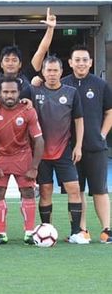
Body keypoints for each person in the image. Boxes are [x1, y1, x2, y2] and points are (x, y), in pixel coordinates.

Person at [0, 76, 45, 245]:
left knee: (28, 192)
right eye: (6, 92)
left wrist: (34, 167)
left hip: (23, 157)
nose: (10, 95)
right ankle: (1, 234)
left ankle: (29, 233)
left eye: (13, 92)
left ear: (19, 93)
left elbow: (39, 140)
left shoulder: (28, 110)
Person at [31, 56, 87, 244]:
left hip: (64, 150)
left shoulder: (71, 92)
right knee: (45, 191)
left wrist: (78, 146)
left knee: (74, 188)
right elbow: (12, 97)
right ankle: (46, 230)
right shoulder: (34, 90)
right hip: (41, 153)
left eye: (56, 71)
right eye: (49, 70)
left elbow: (79, 120)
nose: (52, 74)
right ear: (43, 72)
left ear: (61, 72)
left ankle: (75, 233)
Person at [61, 44, 112, 242]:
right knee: (76, 190)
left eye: (85, 60)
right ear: (70, 63)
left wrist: (102, 133)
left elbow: (110, 111)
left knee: (99, 189)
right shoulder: (63, 84)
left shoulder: (100, 85)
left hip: (95, 147)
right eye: (77, 60)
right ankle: (81, 230)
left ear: (90, 62)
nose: (81, 63)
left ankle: (107, 230)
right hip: (70, 149)